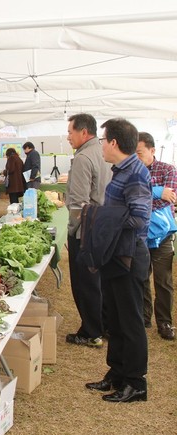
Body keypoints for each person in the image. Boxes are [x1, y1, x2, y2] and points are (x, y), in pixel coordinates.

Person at [85, 118, 151, 403]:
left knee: (130, 321)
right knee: (115, 318)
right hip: (116, 254)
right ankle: (117, 373)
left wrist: (100, 217)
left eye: (103, 139)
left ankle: (135, 382)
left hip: (129, 255)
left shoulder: (136, 173)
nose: (101, 144)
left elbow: (139, 217)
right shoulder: (120, 170)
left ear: (113, 142)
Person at [65, 113, 112, 347]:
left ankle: (91, 331)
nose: (68, 137)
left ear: (84, 132)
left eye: (70, 132)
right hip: (102, 227)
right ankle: (103, 325)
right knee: (98, 281)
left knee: (85, 283)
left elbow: (78, 204)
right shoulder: (104, 152)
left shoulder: (84, 157)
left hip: (86, 231)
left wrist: (72, 232)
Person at [136, 132, 177, 340]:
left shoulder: (167, 169)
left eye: (140, 152)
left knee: (163, 280)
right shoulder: (133, 171)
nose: (136, 156)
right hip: (141, 234)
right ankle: (144, 317)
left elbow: (167, 200)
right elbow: (131, 198)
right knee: (142, 277)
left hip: (162, 235)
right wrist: (157, 190)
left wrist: (149, 194)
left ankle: (165, 322)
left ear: (152, 150)